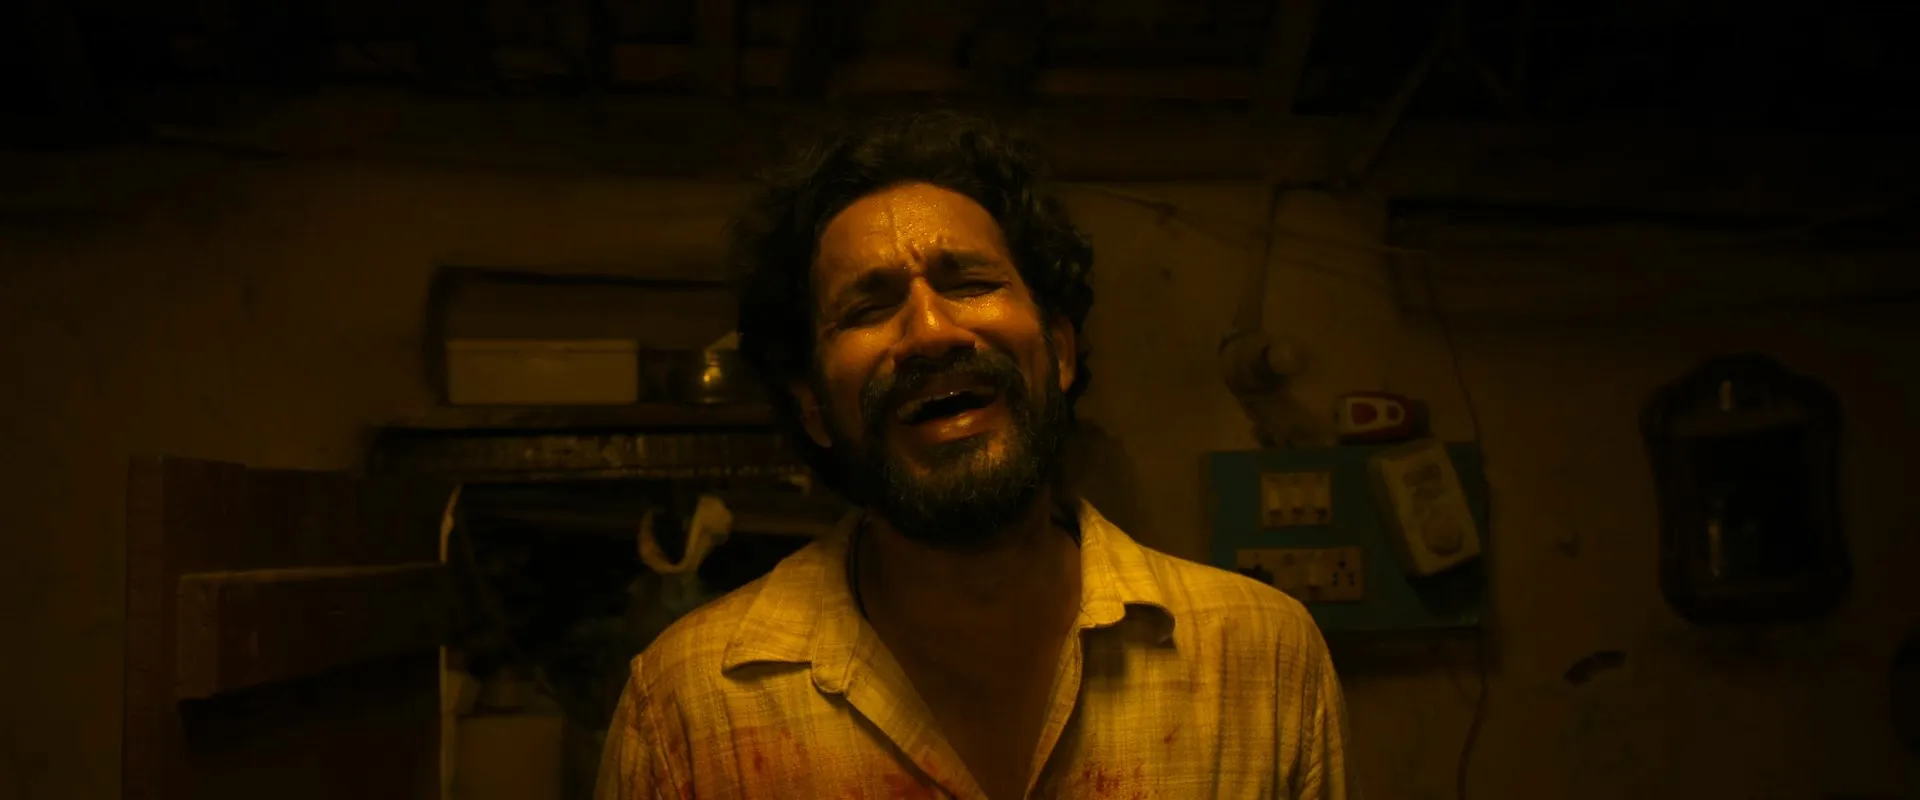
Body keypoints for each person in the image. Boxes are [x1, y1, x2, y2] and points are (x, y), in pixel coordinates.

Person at [596, 111, 1350, 800]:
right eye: (868, 307)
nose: (930, 332)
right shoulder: (690, 706)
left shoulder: (1261, 659)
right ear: (814, 408)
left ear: (1059, 351)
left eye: (971, 283)